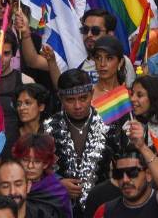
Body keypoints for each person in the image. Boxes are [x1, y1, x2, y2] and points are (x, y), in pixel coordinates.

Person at [44, 69, 112, 212]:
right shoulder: (48, 128)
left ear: (92, 94)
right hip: (61, 208)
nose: (77, 106)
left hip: (103, 207)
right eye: (70, 100)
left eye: (83, 98)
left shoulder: (109, 124)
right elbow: (37, 169)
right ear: (60, 98)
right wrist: (58, 183)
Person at [94, 130, 158, 218]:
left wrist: (142, 147)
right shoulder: (105, 211)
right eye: (119, 173)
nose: (125, 180)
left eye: (132, 172)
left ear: (148, 174)